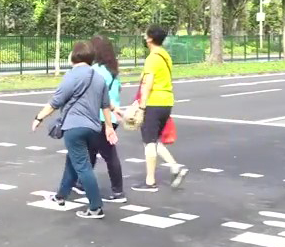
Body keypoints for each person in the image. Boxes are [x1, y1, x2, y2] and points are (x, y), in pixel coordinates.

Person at [31, 40, 117, 220]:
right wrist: (109, 127)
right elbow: (105, 106)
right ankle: (60, 196)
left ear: (74, 56)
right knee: (73, 161)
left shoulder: (72, 75)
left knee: (83, 167)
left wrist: (39, 117)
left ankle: (95, 206)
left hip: (75, 127)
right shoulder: (98, 77)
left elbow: (56, 101)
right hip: (94, 128)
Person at [126, 26, 187, 192]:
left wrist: (142, 106)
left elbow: (148, 83)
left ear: (150, 38)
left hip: (154, 101)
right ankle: (175, 168)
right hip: (167, 101)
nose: (144, 37)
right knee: (154, 139)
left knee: (149, 142)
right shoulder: (165, 56)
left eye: (145, 35)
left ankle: (150, 181)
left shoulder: (152, 58)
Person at [71, 35, 125, 203]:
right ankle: (81, 183)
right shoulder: (113, 71)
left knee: (108, 154)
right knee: (92, 150)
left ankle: (118, 192)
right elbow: (117, 91)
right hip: (112, 117)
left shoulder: (95, 70)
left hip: (100, 117)